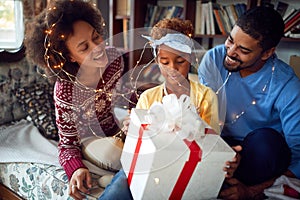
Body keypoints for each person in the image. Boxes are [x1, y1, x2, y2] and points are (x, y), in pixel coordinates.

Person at [100, 18, 240, 200]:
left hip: (187, 164)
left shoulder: (206, 97)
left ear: (190, 59)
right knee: (118, 188)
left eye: (180, 61)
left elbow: (209, 143)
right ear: (157, 61)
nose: (172, 68)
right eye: (165, 62)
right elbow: (137, 147)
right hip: (148, 163)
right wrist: (131, 130)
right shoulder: (148, 97)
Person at [24, 0, 127, 199]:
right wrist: (76, 169)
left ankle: (114, 177)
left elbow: (122, 97)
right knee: (114, 155)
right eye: (84, 47)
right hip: (88, 141)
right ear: (69, 56)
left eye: (96, 37)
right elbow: (68, 144)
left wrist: (135, 114)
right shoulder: (65, 91)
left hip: (114, 130)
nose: (98, 48)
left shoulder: (114, 59)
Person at [198, 6, 300, 199]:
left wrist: (252, 191)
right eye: (230, 40)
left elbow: (298, 156)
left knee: (265, 143)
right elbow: (204, 117)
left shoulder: (287, 85)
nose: (230, 52)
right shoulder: (213, 59)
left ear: (266, 53)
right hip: (218, 142)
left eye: (243, 50)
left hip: (259, 155)